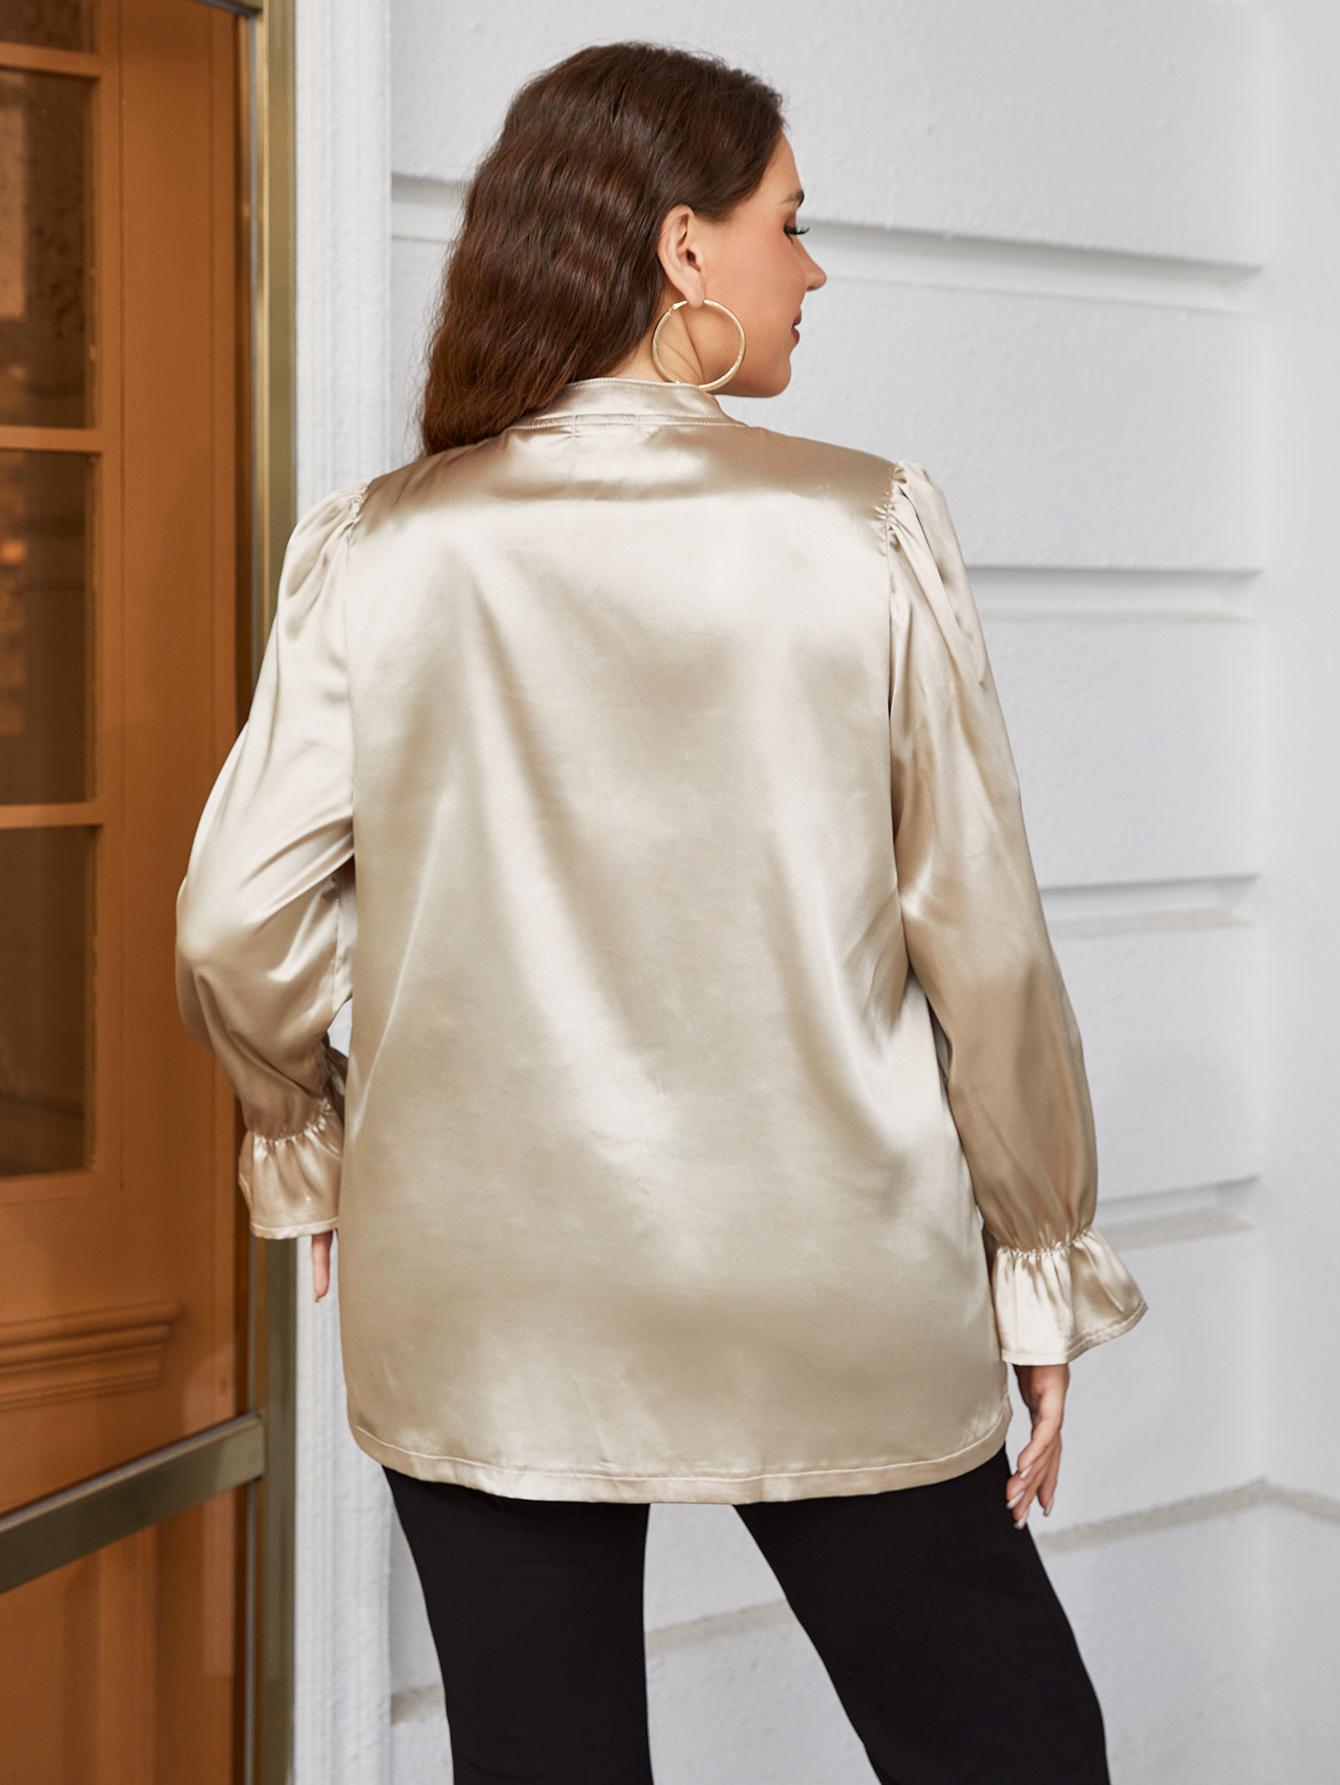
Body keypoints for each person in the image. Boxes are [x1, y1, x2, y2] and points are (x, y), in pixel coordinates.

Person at [174, 38, 1148, 1785]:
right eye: (792, 222)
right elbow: (982, 945)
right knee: (1010, 1743)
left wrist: (305, 1139)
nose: (813, 270)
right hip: (832, 1284)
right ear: (685, 246)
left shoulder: (378, 547)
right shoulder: (867, 526)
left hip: (482, 1300)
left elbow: (232, 924)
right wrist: (1041, 1261)